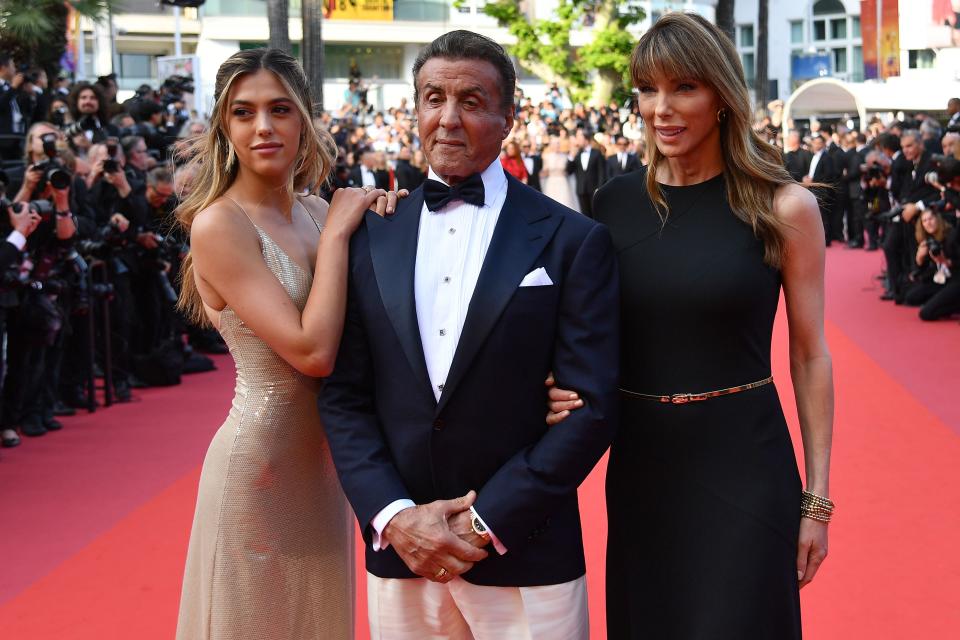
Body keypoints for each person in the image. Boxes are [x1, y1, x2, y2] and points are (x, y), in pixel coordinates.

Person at [319, 30, 619, 639]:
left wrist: (485, 521)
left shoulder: (572, 239)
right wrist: (395, 517)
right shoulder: (369, 233)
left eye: (472, 101)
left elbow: (592, 407)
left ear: (509, 117)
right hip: (399, 550)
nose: (449, 119)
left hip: (525, 550)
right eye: (433, 98)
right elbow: (343, 393)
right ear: (415, 109)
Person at [548, 13, 834, 638]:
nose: (661, 108)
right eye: (647, 89)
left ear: (722, 97)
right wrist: (556, 381)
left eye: (683, 87)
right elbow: (582, 326)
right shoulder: (615, 202)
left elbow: (810, 355)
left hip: (744, 463)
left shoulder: (783, 207)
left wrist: (817, 500)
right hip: (644, 465)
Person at [173, 48, 398, 640]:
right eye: (243, 113)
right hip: (260, 470)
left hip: (324, 472)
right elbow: (311, 352)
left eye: (279, 109)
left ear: (304, 118)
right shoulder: (219, 224)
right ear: (224, 126)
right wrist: (342, 235)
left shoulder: (320, 210)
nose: (263, 127)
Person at [567, 129, 605, 217]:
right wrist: (571, 156)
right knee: (585, 216)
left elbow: (601, 172)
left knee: (597, 214)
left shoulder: (597, 153)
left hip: (594, 189)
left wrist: (599, 188)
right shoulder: (576, 154)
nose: (577, 141)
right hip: (581, 189)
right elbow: (569, 171)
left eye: (579, 138)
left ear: (586, 139)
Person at [540, 137, 580, 211]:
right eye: (554, 144)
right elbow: (544, 171)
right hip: (551, 183)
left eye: (558, 143)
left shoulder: (565, 156)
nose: (556, 145)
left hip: (563, 182)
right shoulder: (546, 157)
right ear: (551, 145)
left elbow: (568, 171)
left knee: (565, 203)